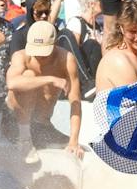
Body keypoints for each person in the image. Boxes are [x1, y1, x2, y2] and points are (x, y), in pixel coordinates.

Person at [5, 21, 83, 159]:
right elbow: (12, 83)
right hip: (14, 125)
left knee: (79, 149)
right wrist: (49, 79)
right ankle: (24, 139)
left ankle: (35, 136)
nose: (39, 56)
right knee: (28, 76)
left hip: (42, 125)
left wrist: (74, 141)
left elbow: (75, 101)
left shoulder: (65, 59)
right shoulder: (21, 56)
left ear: (54, 44)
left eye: (44, 53)